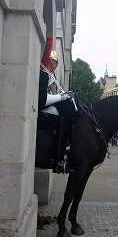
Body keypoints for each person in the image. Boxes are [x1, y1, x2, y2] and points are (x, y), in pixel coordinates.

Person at [36, 45, 75, 174]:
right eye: (55, 62)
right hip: (39, 112)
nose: (56, 65)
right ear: (50, 61)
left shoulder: (47, 75)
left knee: (68, 107)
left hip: (44, 110)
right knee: (62, 118)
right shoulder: (44, 75)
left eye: (57, 63)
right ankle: (58, 159)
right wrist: (62, 96)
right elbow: (41, 101)